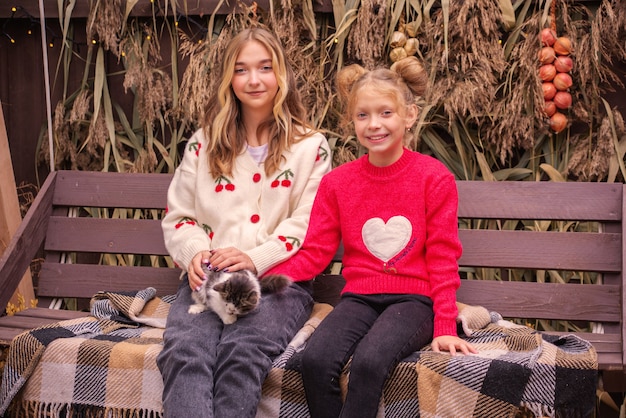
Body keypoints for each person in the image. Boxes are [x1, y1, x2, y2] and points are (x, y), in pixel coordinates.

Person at [263, 56, 478, 418]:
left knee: (369, 362)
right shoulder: (338, 183)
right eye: (363, 115)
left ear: (409, 116)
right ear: (351, 120)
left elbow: (442, 257)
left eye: (385, 113)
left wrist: (444, 325)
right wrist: (264, 276)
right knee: (314, 360)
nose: (374, 124)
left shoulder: (433, 177)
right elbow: (315, 252)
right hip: (359, 299)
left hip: (414, 301)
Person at [157, 26, 332, 418]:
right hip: (209, 283)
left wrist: (256, 257)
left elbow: (305, 223)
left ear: (280, 75)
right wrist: (195, 253)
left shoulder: (310, 147)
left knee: (241, 351)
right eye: (241, 69)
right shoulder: (204, 144)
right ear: (228, 80)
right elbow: (179, 215)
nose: (254, 79)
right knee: (186, 352)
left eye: (265, 67)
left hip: (278, 284)